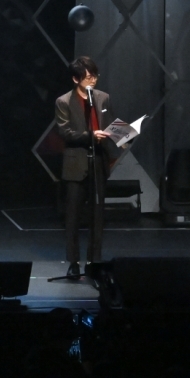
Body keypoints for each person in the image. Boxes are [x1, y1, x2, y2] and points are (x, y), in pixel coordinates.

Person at [54, 55, 116, 278]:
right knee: (72, 216)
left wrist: (125, 134)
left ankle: (94, 260)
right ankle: (73, 262)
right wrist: (90, 135)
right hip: (76, 162)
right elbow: (65, 132)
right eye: (88, 77)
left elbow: (110, 124)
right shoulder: (63, 101)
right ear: (76, 79)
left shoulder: (103, 98)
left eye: (95, 76)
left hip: (98, 161)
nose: (93, 80)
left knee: (97, 216)